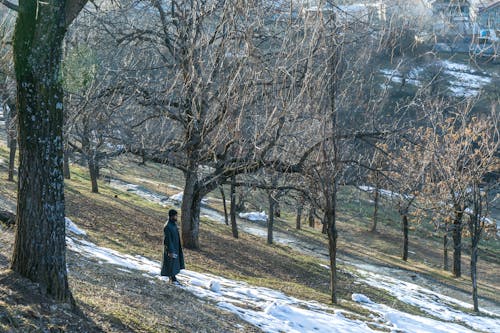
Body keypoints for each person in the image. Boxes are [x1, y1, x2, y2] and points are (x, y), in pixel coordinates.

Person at [160, 209, 185, 285]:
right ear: (171, 216)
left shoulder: (173, 225)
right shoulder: (167, 226)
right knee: (171, 264)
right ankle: (173, 279)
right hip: (171, 249)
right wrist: (171, 251)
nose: (176, 217)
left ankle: (173, 278)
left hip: (175, 248)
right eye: (175, 216)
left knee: (174, 264)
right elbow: (167, 240)